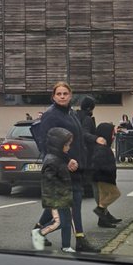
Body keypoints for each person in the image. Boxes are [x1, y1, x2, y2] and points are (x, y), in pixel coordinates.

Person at [33, 82, 100, 253]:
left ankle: (38, 230)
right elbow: (46, 143)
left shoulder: (71, 113)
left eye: (65, 93)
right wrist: (65, 160)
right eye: (59, 94)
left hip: (77, 165)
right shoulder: (51, 115)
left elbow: (78, 138)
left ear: (71, 95)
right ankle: (79, 239)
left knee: (59, 203)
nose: (62, 96)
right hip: (62, 166)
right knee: (74, 201)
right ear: (53, 97)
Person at [31, 127, 74, 252]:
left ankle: (66, 246)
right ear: (58, 145)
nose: (68, 147)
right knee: (59, 222)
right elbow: (48, 183)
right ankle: (39, 233)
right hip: (56, 198)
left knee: (67, 222)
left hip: (63, 196)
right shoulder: (52, 160)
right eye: (66, 145)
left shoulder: (59, 158)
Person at [92, 122, 122, 228]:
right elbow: (101, 164)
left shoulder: (103, 147)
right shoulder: (102, 149)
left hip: (103, 177)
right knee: (115, 194)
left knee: (103, 197)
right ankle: (100, 210)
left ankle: (103, 218)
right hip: (104, 177)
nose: (113, 137)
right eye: (112, 134)